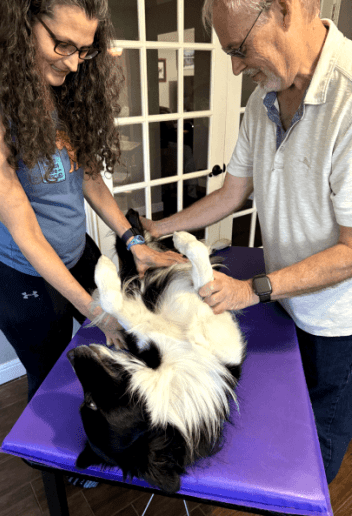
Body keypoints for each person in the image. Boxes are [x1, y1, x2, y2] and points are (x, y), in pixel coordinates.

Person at [142, 0, 352, 486]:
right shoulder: (264, 99)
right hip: (284, 301)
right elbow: (232, 193)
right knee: (282, 421)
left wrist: (252, 289)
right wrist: (158, 229)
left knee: (317, 447)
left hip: (334, 321)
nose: (235, 68)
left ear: (285, 9)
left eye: (239, 48)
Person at [0, 0, 185, 407]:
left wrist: (133, 240)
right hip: (17, 271)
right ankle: (56, 447)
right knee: (53, 375)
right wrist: (95, 312)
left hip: (75, 251)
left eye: (85, 50)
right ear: (23, 24)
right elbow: (25, 230)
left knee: (125, 333)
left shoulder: (62, 90)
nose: (75, 64)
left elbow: (88, 176)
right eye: (63, 45)